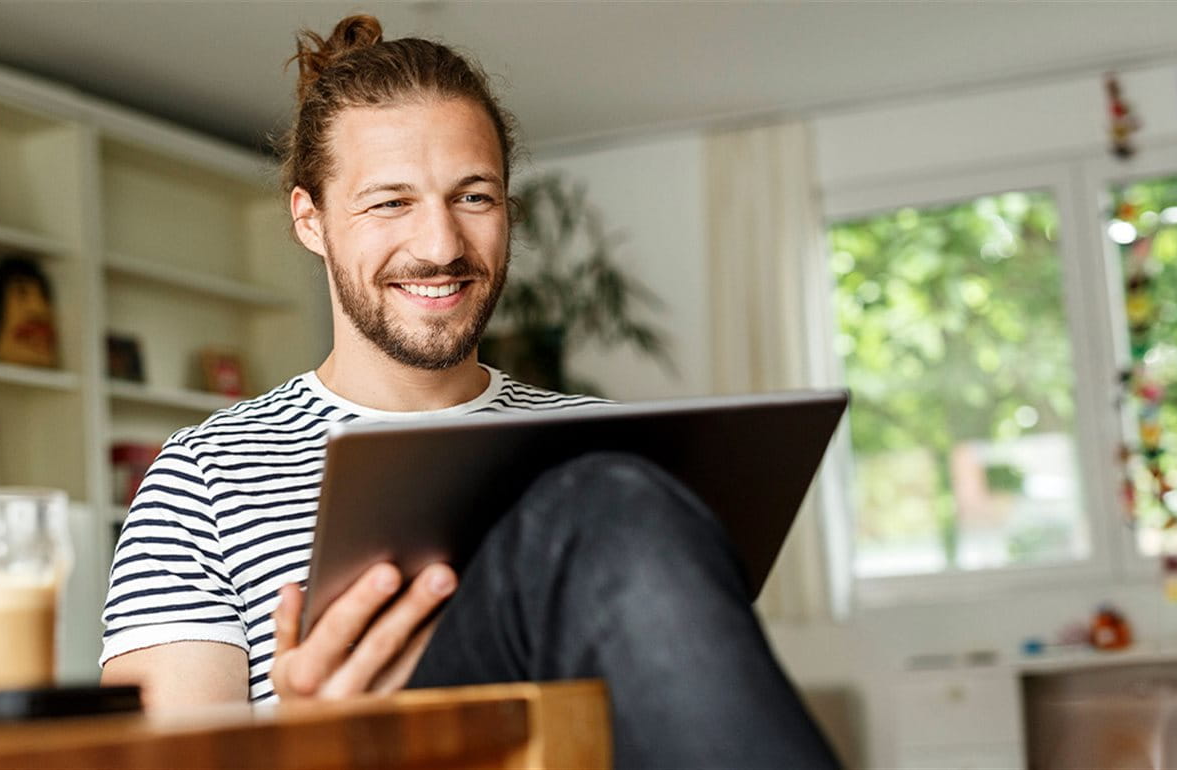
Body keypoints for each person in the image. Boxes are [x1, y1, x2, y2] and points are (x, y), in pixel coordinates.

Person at [98, 15, 841, 768]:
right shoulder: (204, 477)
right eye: (390, 202)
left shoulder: (610, 449)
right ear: (310, 219)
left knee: (610, 490)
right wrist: (315, 740)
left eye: (474, 197)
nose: (441, 245)